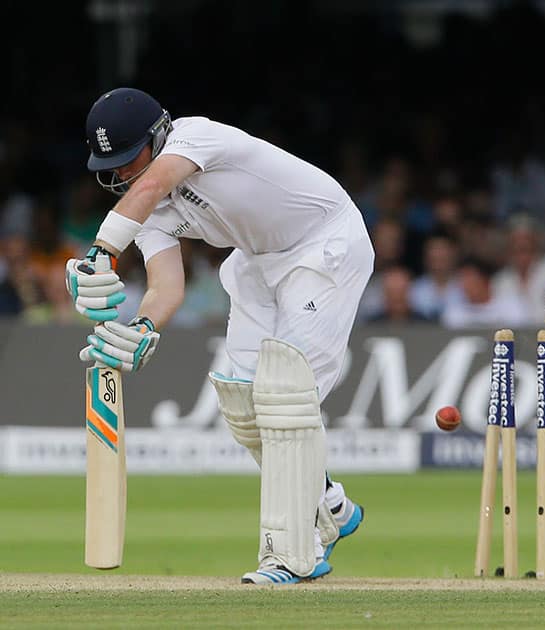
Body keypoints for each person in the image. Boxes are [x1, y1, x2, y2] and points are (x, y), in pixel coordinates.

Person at [65, 87, 373, 585]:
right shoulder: (141, 208)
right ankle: (329, 505)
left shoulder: (196, 137)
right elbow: (166, 287)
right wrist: (142, 326)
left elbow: (148, 188)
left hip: (323, 244)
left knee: (286, 398)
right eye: (112, 165)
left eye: (129, 159)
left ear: (158, 136)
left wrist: (99, 253)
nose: (123, 174)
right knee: (243, 403)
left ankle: (294, 555)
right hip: (256, 262)